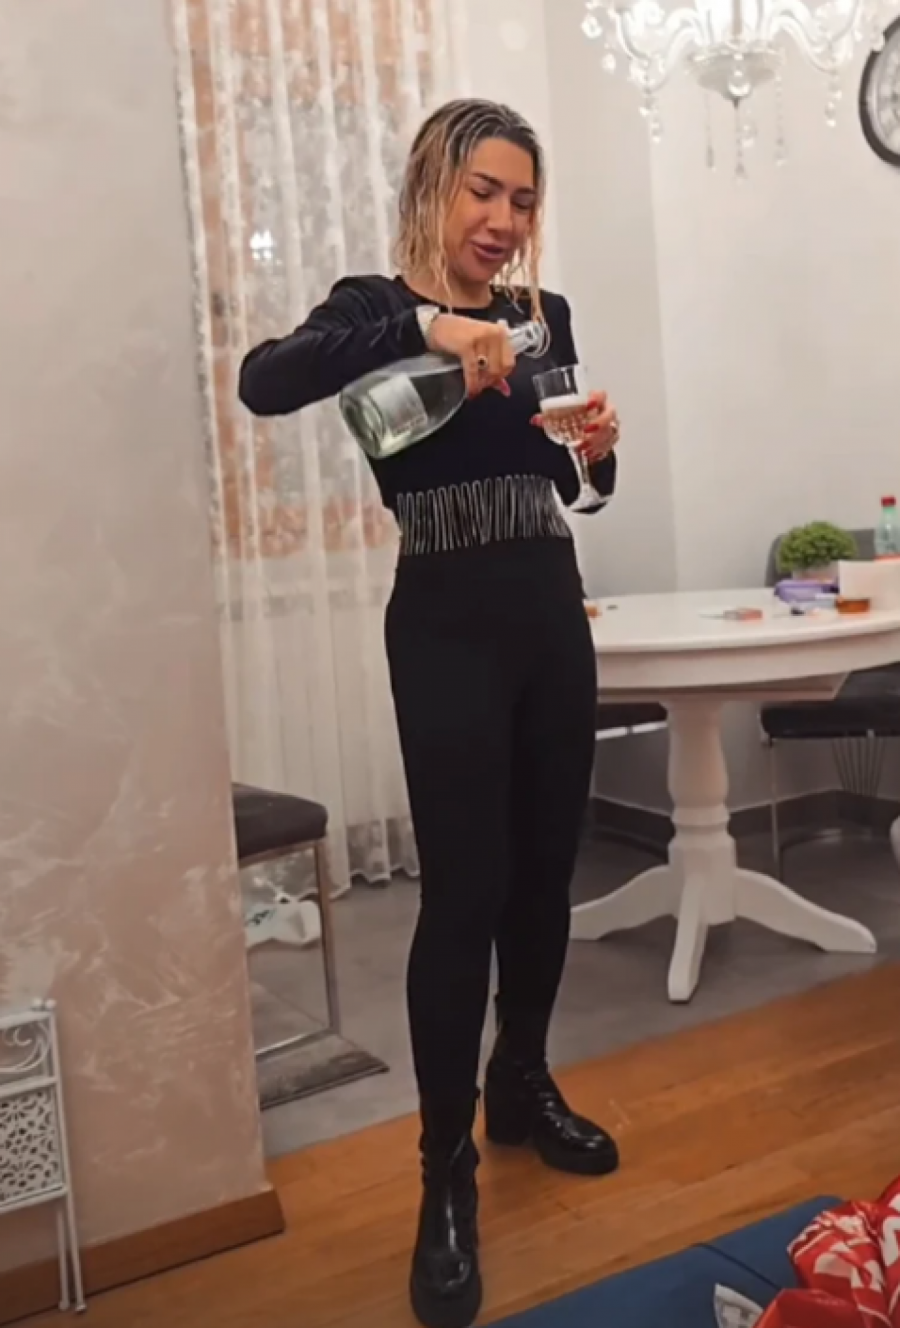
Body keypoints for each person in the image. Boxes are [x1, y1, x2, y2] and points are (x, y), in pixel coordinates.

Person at [239, 98, 621, 1328]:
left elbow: (570, 471)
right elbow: (261, 382)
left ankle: (523, 1081)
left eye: (523, 200)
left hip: (548, 607)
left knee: (544, 873)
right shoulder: (371, 308)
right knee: (465, 892)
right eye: (484, 191)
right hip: (446, 623)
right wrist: (425, 329)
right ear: (434, 187)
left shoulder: (544, 315)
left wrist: (598, 450)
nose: (504, 219)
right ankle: (444, 1168)